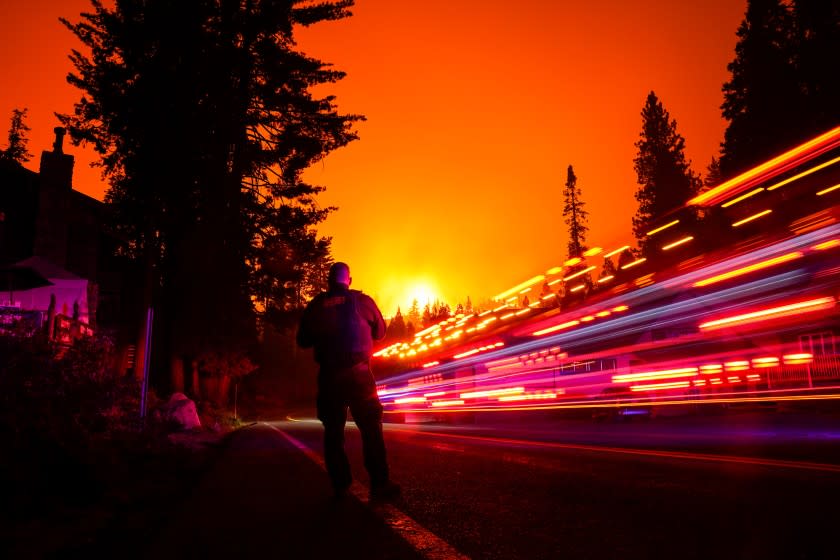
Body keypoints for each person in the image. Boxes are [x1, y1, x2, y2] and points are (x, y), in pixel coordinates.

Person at [297, 262, 400, 501]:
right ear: (349, 281)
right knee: (371, 429)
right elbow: (380, 332)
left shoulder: (316, 306)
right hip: (359, 375)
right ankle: (380, 484)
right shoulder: (363, 302)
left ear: (328, 282)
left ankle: (340, 486)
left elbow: (302, 340)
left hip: (330, 377)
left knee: (333, 432)